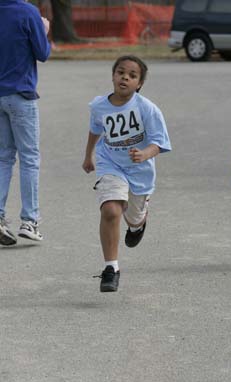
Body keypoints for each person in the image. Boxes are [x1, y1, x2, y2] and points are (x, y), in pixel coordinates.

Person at [82, 55, 171, 292]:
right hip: (110, 163)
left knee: (133, 216)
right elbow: (95, 130)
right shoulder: (99, 106)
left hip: (140, 171)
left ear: (139, 84)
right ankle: (111, 269)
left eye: (132, 76)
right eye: (121, 72)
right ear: (113, 76)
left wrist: (145, 154)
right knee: (111, 210)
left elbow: (160, 142)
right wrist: (88, 155)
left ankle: (138, 223)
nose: (125, 77)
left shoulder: (147, 109)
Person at [0, 0, 51, 246]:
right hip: (21, 94)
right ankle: (29, 221)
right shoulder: (28, 12)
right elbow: (43, 53)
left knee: (3, 157)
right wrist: (44, 29)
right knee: (29, 158)